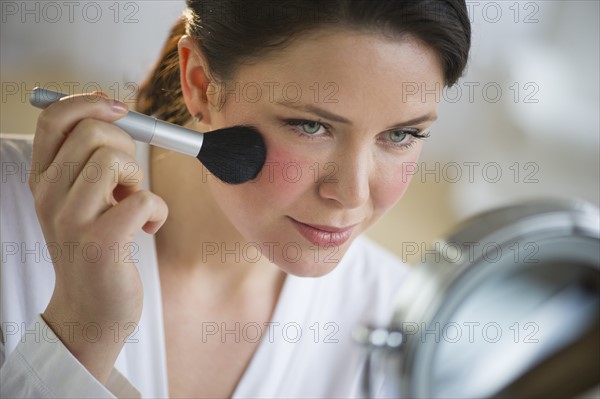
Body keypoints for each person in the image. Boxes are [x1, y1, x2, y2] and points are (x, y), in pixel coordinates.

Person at [0, 1, 471, 397]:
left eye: (402, 134)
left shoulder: (407, 329)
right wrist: (81, 333)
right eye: (311, 126)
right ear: (201, 84)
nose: (352, 193)